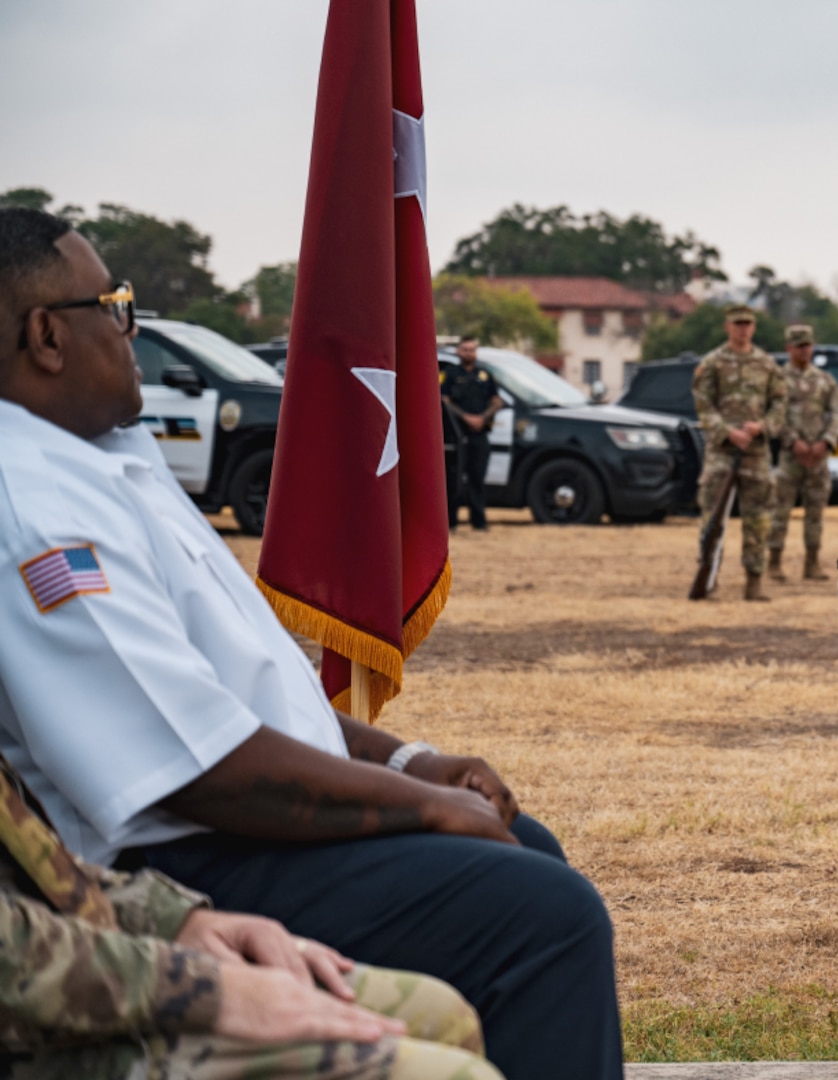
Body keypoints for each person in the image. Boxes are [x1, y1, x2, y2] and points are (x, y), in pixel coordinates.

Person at [0, 207, 624, 1080]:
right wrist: (424, 809)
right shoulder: (32, 502)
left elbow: (255, 697)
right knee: (543, 914)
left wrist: (407, 761)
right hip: (183, 859)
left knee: (533, 853)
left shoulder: (102, 456)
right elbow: (194, 763)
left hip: (244, 824)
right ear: (44, 336)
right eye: (115, 305)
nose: (130, 330)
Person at [0, 751, 501, 1079]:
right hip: (39, 1033)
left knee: (441, 1013)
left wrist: (172, 919)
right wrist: (201, 991)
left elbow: (31, 868)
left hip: (79, 976)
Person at [691, 303, 788, 601]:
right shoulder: (713, 362)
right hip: (722, 451)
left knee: (758, 518)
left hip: (756, 452)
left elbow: (780, 404)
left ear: (754, 327)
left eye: (748, 323)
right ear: (727, 326)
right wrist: (727, 431)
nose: (743, 328)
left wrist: (761, 427)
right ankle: (708, 577)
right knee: (712, 516)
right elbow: (703, 403)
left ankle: (754, 581)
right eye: (737, 323)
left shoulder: (767, 364)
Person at [768, 323, 838, 582]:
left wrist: (825, 442)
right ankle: (774, 562)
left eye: (808, 345)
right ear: (788, 348)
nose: (804, 350)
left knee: (815, 511)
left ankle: (812, 563)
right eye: (799, 346)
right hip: (790, 456)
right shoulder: (777, 380)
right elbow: (775, 416)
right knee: (780, 509)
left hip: (819, 457)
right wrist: (793, 442)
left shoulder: (824, 380)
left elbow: (834, 414)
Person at [440, 335, 502, 531]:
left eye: (472, 349)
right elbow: (443, 400)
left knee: (477, 478)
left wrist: (483, 417)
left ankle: (479, 522)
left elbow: (496, 400)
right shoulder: (449, 375)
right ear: (458, 352)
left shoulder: (485, 375)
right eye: (465, 349)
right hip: (456, 436)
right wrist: (465, 417)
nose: (469, 353)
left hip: (479, 435)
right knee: (454, 479)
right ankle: (451, 522)